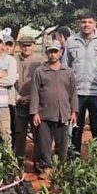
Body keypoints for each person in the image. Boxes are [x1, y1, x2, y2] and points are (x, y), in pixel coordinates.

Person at [65, 10, 97, 154]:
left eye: (89, 22)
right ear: (80, 23)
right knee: (75, 128)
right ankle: (74, 160)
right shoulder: (71, 41)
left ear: (95, 23)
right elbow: (65, 68)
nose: (86, 25)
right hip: (77, 93)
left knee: (96, 128)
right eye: (84, 22)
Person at [30, 43, 77, 178]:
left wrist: (74, 111)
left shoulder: (67, 72)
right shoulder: (40, 71)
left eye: (55, 51)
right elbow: (35, 93)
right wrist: (34, 112)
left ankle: (60, 168)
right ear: (46, 52)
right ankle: (46, 167)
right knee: (44, 143)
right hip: (44, 114)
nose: (53, 54)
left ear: (61, 52)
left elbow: (73, 93)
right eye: (50, 51)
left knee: (62, 143)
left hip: (63, 113)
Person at [13, 34, 45, 162]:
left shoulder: (41, 61)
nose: (26, 48)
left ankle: (38, 162)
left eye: (29, 45)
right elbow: (9, 82)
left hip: (35, 104)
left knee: (37, 133)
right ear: (20, 46)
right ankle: (18, 163)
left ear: (34, 46)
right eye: (24, 45)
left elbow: (44, 83)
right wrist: (17, 97)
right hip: (18, 102)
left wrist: (34, 98)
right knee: (19, 133)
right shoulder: (13, 60)